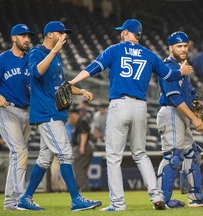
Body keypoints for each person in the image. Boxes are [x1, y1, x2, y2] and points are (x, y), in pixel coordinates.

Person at [69, 19, 193, 211]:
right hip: (140, 107)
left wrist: (73, 82)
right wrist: (182, 71)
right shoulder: (149, 55)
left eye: (122, 31)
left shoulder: (115, 49)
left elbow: (93, 68)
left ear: (127, 32)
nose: (120, 33)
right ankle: (156, 196)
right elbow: (170, 75)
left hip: (120, 104)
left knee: (113, 157)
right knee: (140, 153)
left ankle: (118, 203)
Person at [16, 21, 101, 211]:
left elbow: (63, 86)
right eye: (60, 32)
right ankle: (76, 199)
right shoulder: (37, 52)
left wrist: (82, 91)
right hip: (46, 113)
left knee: (44, 159)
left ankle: (26, 198)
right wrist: (53, 51)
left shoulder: (57, 57)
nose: (64, 35)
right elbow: (35, 73)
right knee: (65, 153)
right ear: (49, 35)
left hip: (56, 112)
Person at [156, 31, 203, 208]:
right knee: (173, 157)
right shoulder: (167, 66)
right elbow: (174, 98)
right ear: (170, 48)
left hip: (180, 115)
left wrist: (196, 104)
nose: (183, 49)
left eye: (185, 46)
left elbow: (186, 95)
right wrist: (195, 119)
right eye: (179, 46)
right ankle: (162, 200)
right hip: (170, 113)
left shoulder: (183, 66)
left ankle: (196, 197)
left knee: (192, 153)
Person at [0, 24, 34, 210]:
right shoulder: (2, 59)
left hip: (27, 111)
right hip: (7, 110)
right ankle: (22, 198)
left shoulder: (30, 59)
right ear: (14, 38)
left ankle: (10, 202)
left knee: (16, 156)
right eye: (23, 36)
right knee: (20, 153)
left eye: (28, 36)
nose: (27, 39)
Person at [69, 108, 95, 192]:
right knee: (82, 168)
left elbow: (84, 133)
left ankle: (83, 187)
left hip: (84, 146)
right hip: (84, 145)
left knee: (78, 168)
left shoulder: (81, 121)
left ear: (74, 115)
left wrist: (82, 147)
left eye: (70, 117)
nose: (69, 119)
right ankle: (84, 186)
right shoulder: (79, 122)